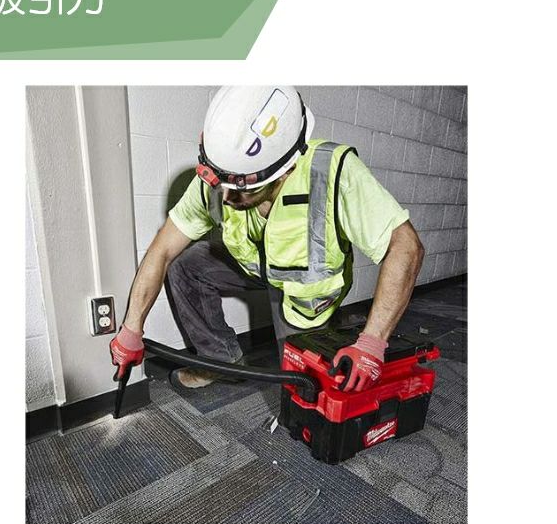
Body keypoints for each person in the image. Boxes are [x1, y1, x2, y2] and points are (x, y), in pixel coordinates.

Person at [110, 86, 424, 393]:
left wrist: (372, 343)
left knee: (303, 389)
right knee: (185, 265)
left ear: (286, 171)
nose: (226, 197)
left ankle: (334, 330)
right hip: (254, 264)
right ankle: (220, 360)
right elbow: (163, 250)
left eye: (242, 189)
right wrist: (131, 328)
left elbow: (406, 246)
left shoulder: (331, 172)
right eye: (221, 183)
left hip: (305, 291)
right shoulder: (220, 181)